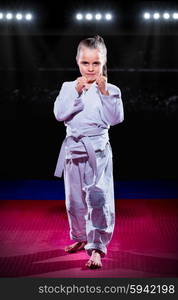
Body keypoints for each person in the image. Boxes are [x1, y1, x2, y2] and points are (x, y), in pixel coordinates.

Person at [53, 35, 124, 269]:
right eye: (86, 63)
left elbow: (116, 119)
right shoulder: (68, 87)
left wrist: (105, 94)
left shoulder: (111, 89)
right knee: (74, 202)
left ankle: (96, 247)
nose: (91, 68)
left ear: (103, 62)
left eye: (96, 63)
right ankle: (82, 238)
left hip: (98, 153)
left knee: (97, 198)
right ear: (77, 61)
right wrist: (75, 92)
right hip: (73, 151)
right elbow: (60, 114)